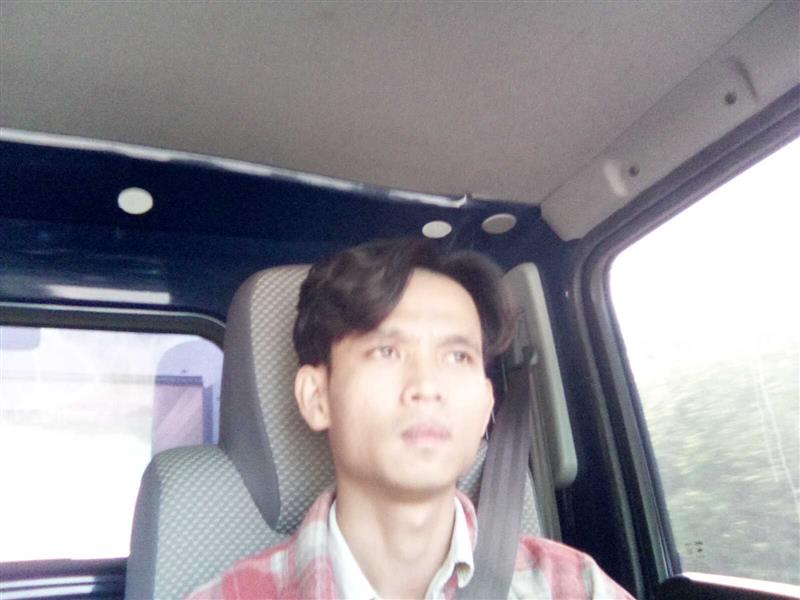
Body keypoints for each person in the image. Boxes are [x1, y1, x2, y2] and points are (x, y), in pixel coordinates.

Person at [186, 238, 633, 599]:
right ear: (316, 397)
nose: (427, 386)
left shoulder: (573, 587)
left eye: (457, 356)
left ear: (485, 407)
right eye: (387, 351)